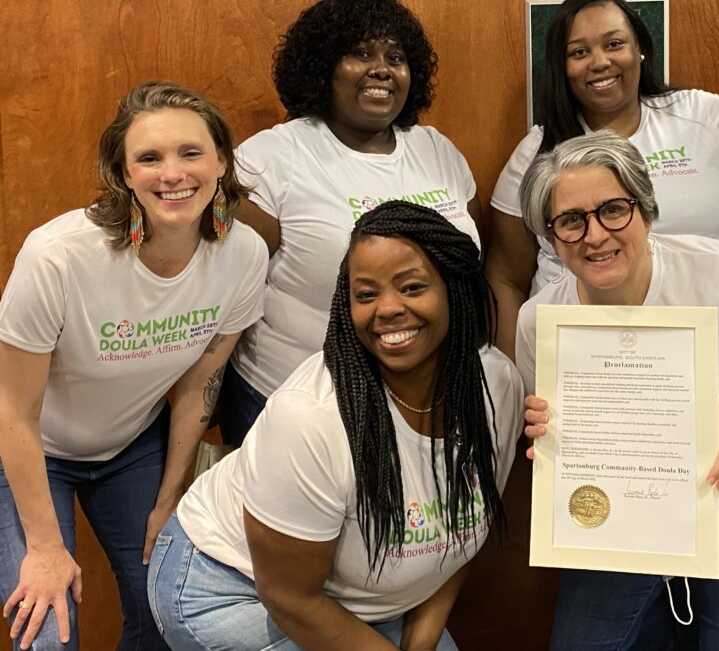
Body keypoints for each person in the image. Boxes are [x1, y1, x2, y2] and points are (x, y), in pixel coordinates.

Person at [148, 201, 523, 651]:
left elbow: (463, 531)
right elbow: (289, 596)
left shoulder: (496, 389)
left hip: (356, 602)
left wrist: (421, 642)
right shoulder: (311, 417)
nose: (386, 309)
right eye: (365, 294)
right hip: (232, 587)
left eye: (411, 286)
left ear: (454, 288)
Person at [517, 132, 719, 650]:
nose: (595, 235)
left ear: (646, 211)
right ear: (551, 238)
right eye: (571, 221)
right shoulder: (540, 321)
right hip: (623, 513)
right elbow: (557, 424)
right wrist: (547, 429)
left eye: (613, 210)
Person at [0, 81, 267, 651]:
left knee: (165, 607)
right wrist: (46, 549)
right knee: (47, 633)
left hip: (130, 447)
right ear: (123, 174)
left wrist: (171, 495)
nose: (173, 173)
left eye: (191, 153)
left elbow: (201, 385)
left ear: (222, 160)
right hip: (28, 447)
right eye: (149, 158)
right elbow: (13, 412)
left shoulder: (242, 255)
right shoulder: (59, 256)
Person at [221, 0, 482, 445]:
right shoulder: (272, 157)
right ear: (323, 67)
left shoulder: (437, 150)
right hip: (294, 405)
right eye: (360, 53)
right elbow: (223, 289)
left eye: (395, 57)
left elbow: (471, 269)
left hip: (419, 400)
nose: (381, 68)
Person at [486, 0, 719, 357]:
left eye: (614, 44)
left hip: (711, 347)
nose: (599, 62)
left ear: (639, 47)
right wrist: (519, 379)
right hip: (583, 358)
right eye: (579, 52)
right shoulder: (536, 154)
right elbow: (506, 278)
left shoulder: (706, 117)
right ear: (561, 68)